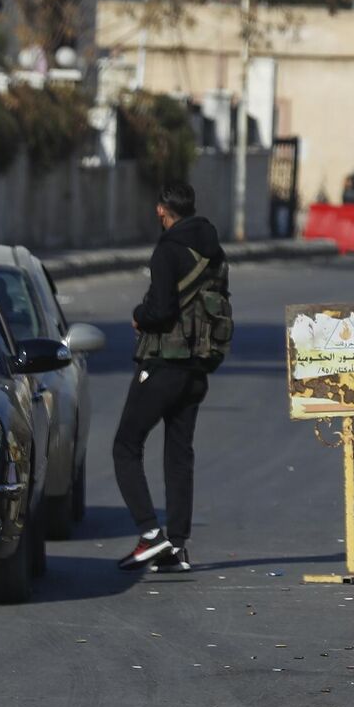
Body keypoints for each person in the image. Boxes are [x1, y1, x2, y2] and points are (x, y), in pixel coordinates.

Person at [113, 181, 226, 575]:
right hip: (198, 367)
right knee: (179, 454)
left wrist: (139, 315)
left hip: (163, 363)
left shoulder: (168, 250)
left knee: (125, 447)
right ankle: (177, 546)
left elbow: (160, 309)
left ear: (163, 211)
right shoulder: (213, 249)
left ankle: (150, 533)